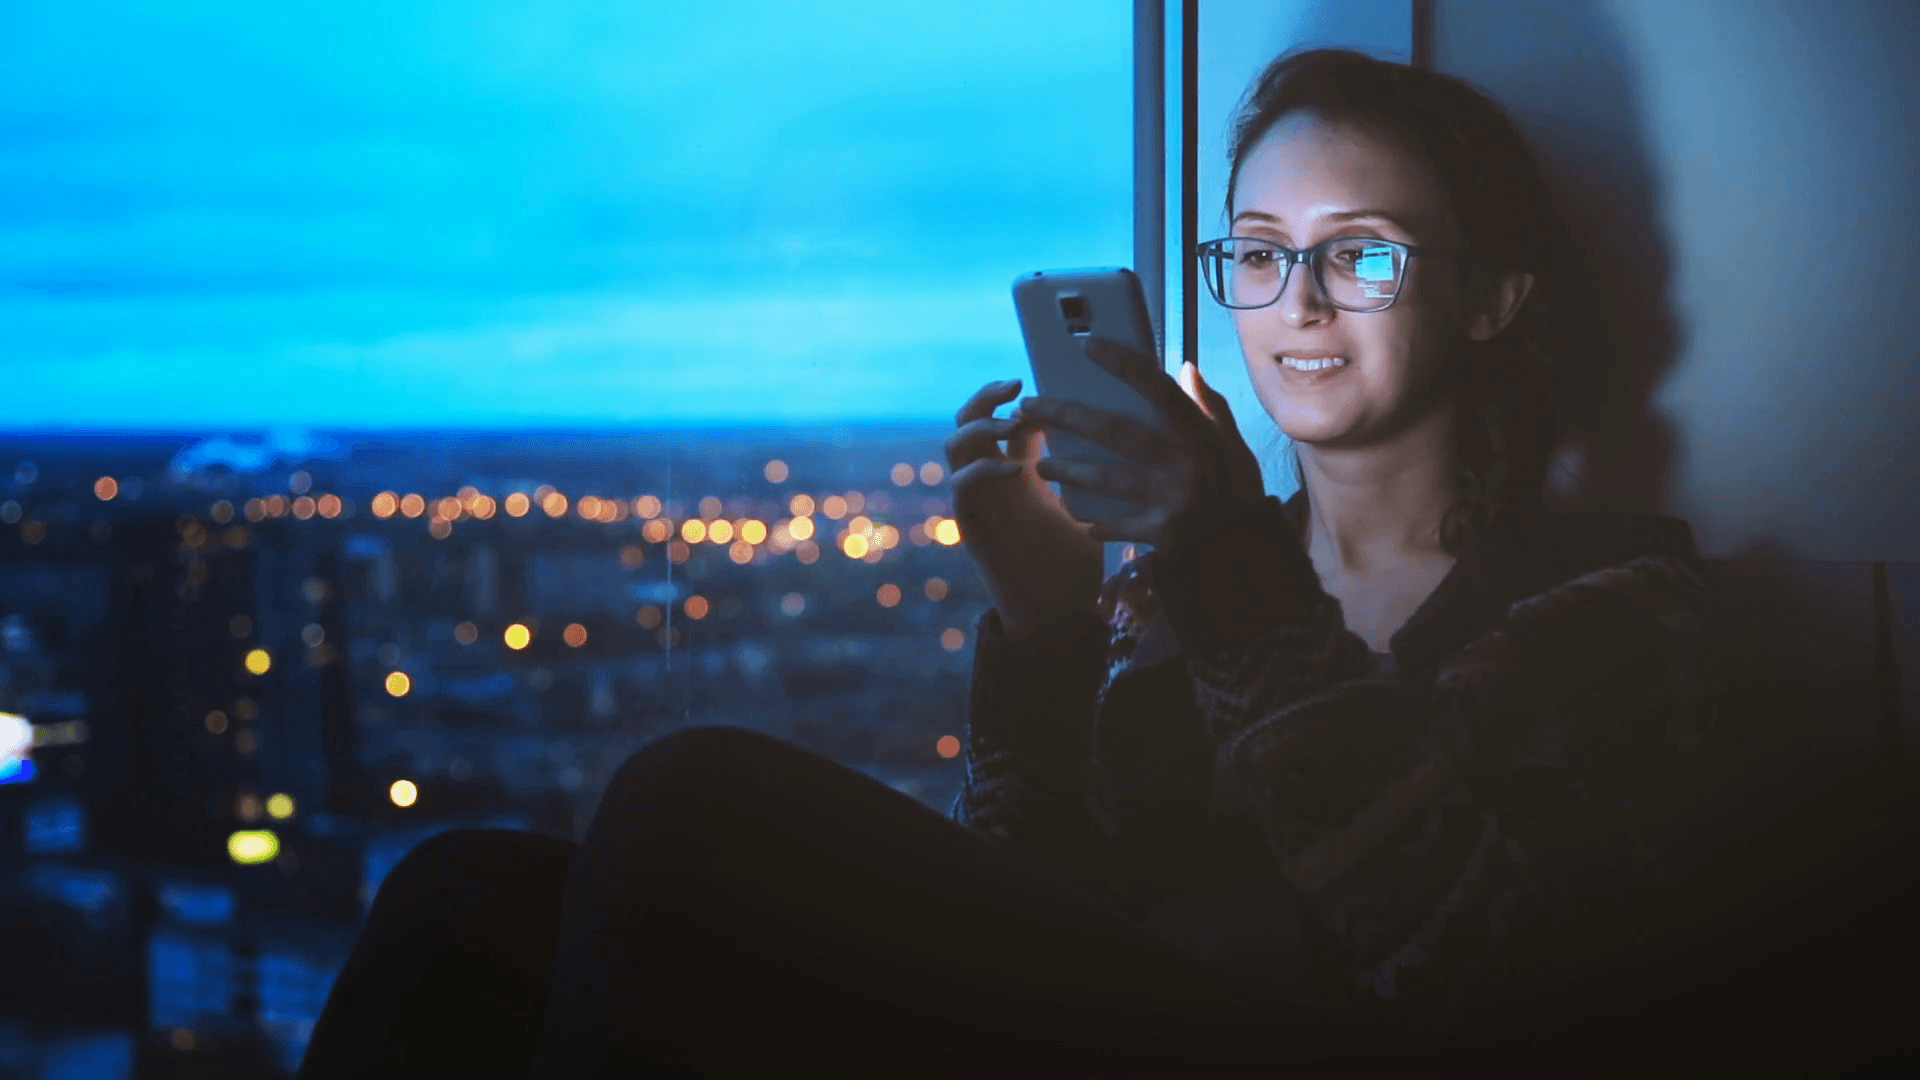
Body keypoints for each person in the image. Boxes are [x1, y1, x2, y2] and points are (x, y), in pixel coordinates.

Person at [298, 48, 1725, 1079]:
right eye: (1257, 252)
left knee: (692, 800)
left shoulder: (1614, 605)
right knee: (464, 896)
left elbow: (1469, 970)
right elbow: (1022, 915)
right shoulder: (1172, 599)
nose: (1293, 306)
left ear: (1492, 297)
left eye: (1363, 257)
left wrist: (1223, 557)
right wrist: (1042, 638)